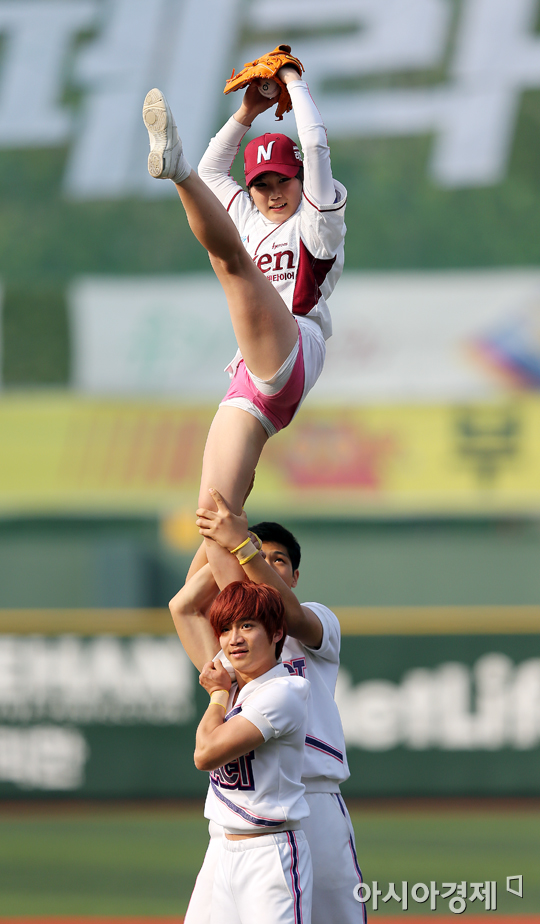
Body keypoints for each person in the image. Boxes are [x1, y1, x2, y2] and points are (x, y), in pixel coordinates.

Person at [143, 47, 347, 590]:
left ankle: (174, 168)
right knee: (214, 515)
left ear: (301, 179)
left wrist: (290, 78)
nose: (273, 192)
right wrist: (246, 114)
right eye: (261, 184)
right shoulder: (249, 217)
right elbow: (220, 171)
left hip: (294, 347)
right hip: (248, 376)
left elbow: (317, 144)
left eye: (282, 180)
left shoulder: (317, 220)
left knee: (232, 264)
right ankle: (219, 647)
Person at [169, 490, 366, 924]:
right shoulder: (236, 648)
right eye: (260, 556)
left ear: (294, 576)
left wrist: (241, 544)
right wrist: (218, 529)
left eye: (277, 560)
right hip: (239, 813)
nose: (265, 564)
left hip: (312, 798)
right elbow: (183, 605)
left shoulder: (313, 622)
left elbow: (288, 614)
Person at [194, 580, 312, 924]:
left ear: (277, 633)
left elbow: (205, 754)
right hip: (225, 850)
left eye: (247, 625)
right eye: (226, 628)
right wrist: (211, 531)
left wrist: (217, 696)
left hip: (270, 854)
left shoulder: (283, 692)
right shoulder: (236, 686)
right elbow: (183, 607)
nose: (235, 638)